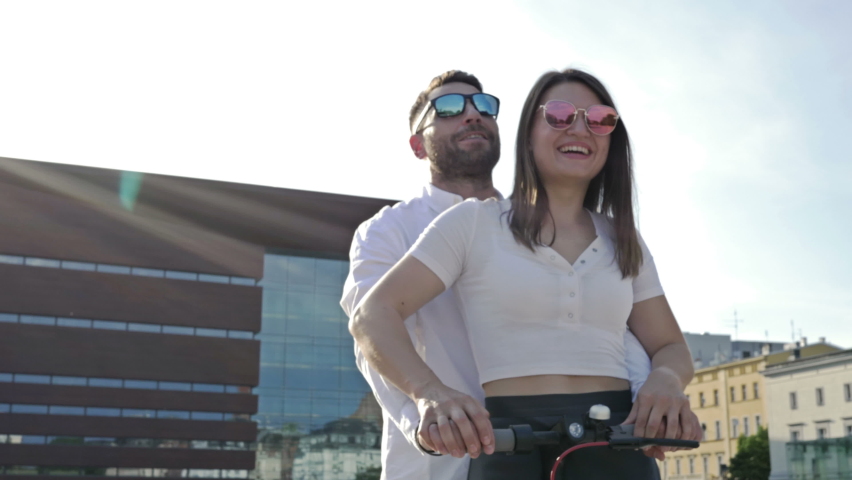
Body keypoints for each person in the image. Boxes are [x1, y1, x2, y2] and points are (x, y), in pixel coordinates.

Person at [348, 68, 700, 479]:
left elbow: (668, 345)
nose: (580, 128)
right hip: (490, 442)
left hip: (614, 435)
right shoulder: (461, 225)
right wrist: (429, 399)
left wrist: (664, 381)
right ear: (528, 135)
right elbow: (371, 319)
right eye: (559, 115)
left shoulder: (623, 238)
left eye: (600, 119)